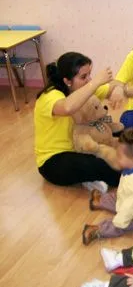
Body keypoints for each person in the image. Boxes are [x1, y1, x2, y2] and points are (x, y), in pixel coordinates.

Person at [34, 52, 125, 190]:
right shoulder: (50, 96)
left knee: (126, 135)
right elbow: (67, 107)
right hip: (54, 161)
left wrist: (118, 89)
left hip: (80, 149)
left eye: (90, 75)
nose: (89, 80)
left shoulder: (82, 88)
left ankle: (92, 178)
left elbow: (115, 85)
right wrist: (95, 82)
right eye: (83, 77)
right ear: (67, 81)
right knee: (100, 165)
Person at [82, 127, 133, 245]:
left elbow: (130, 207)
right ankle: (100, 201)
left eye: (119, 156)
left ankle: (98, 230)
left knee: (120, 223)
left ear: (132, 159)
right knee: (117, 197)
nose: (116, 156)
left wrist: (119, 221)